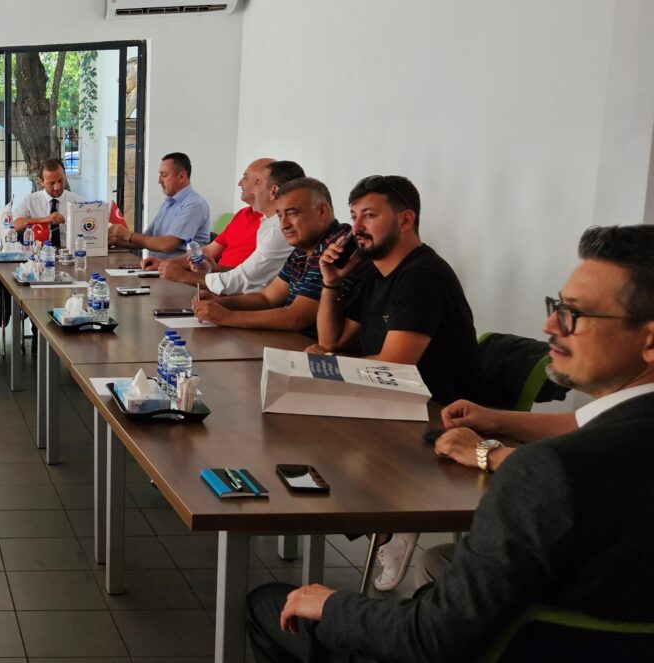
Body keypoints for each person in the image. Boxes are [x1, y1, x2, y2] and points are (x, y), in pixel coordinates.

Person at [248, 224, 654, 663]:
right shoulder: (617, 434)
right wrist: (497, 419)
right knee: (438, 564)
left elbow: (429, 637)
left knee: (269, 604)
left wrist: (332, 605)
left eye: (574, 313)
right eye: (556, 306)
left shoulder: (546, 472)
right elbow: (591, 425)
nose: (549, 325)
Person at [311, 174, 484, 591]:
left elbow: (394, 366)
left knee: (322, 436)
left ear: (406, 219)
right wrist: (331, 281)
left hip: (434, 412)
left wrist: (325, 367)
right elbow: (331, 339)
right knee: (310, 432)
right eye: (354, 216)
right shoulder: (378, 271)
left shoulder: (422, 276)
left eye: (369, 216)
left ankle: (393, 519)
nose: (356, 227)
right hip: (396, 399)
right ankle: (386, 521)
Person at [191, 177, 360, 334]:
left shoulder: (336, 247)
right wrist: (219, 302)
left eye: (292, 213)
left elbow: (297, 318)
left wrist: (227, 317)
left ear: (322, 211)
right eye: (280, 216)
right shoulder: (302, 248)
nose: (284, 225)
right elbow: (267, 298)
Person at [153, 159, 298, 295]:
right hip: (226, 288)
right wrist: (213, 270)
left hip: (233, 292)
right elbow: (244, 275)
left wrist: (184, 276)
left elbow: (243, 280)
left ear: (273, 191)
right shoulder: (265, 222)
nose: (250, 188)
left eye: (257, 182)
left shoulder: (279, 230)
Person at [108, 152, 211, 258]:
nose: (159, 180)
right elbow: (145, 240)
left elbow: (167, 245)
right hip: (156, 265)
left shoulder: (194, 204)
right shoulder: (169, 202)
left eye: (164, 175)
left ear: (181, 176)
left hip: (178, 267)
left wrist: (128, 235)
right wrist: (115, 240)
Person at [10, 157, 84, 238]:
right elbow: (14, 224)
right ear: (41, 182)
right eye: (52, 183)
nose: (57, 187)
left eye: (60, 181)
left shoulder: (78, 202)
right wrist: (45, 220)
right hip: (40, 245)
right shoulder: (31, 201)